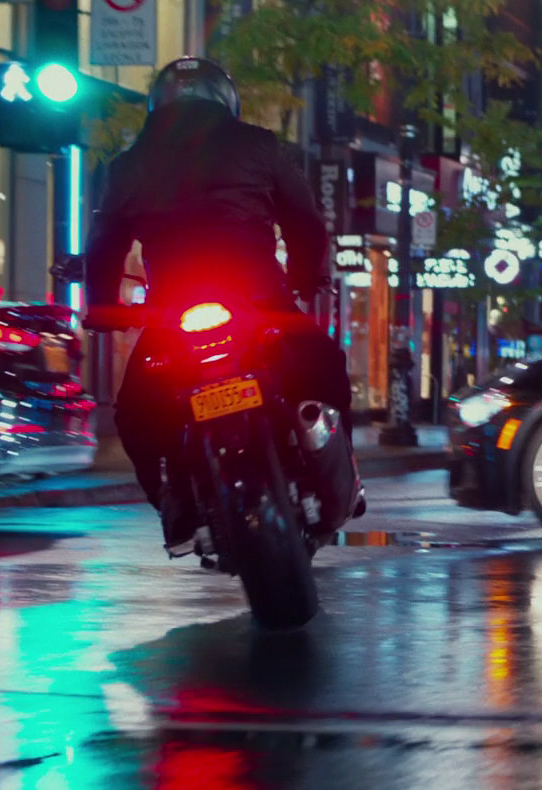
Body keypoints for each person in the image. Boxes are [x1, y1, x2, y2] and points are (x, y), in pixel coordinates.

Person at [82, 57, 354, 557]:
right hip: (258, 298)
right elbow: (306, 224)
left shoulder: (128, 164)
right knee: (324, 365)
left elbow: (104, 245)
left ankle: (175, 506)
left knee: (136, 414)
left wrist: (99, 306)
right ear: (224, 101)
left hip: (173, 313)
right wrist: (303, 280)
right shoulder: (260, 145)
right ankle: (339, 475)